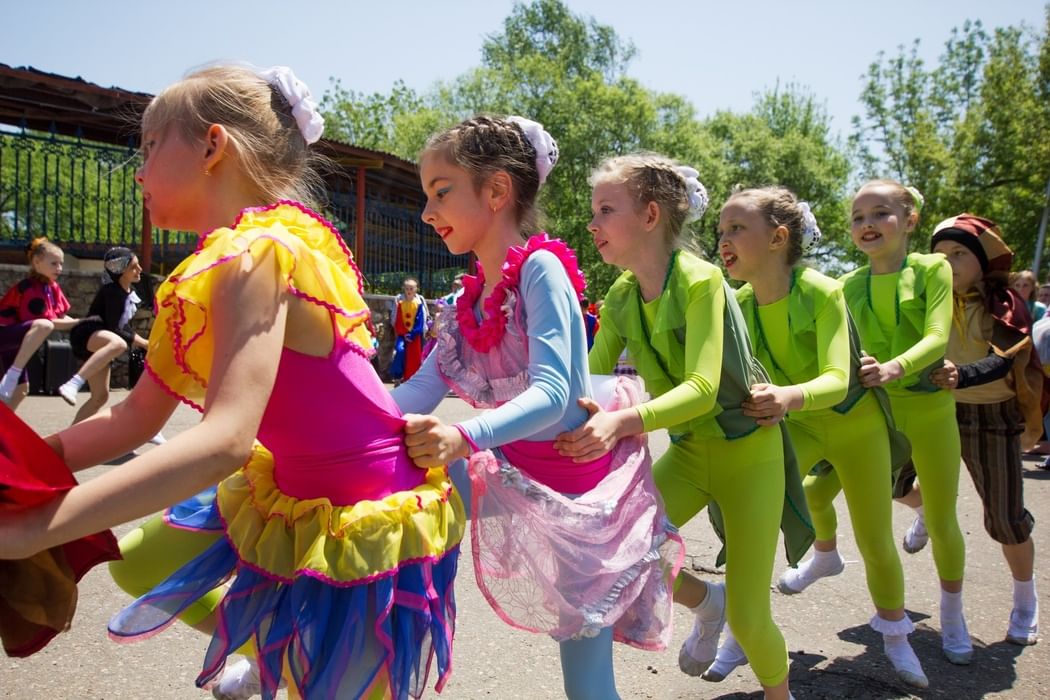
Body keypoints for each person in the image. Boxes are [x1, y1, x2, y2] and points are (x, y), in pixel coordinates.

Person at [0, 64, 464, 700]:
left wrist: (36, 528)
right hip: (292, 488)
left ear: (213, 146)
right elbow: (134, 420)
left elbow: (225, 441)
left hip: (366, 512)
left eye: (151, 144)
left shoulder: (260, 251)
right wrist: (21, 477)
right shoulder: (220, 262)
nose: (138, 169)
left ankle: (286, 657)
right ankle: (273, 647)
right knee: (140, 562)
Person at [392, 117, 684, 700]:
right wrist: (327, 411)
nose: (427, 212)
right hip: (515, 470)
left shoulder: (540, 270)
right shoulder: (472, 297)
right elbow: (412, 394)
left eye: (441, 192)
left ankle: (708, 598)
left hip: (579, 494)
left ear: (497, 192)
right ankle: (318, 642)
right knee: (380, 490)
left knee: (587, 685)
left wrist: (464, 436)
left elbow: (553, 397)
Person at [556, 154, 815, 700]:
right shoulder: (623, 295)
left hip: (751, 458)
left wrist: (620, 422)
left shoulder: (704, 282)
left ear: (650, 215)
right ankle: (706, 602)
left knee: (751, 618)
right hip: (692, 455)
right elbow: (591, 377)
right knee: (617, 553)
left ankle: (779, 693)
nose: (591, 223)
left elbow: (700, 389)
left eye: (605, 210)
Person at [711, 187, 925, 687]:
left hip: (857, 424)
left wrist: (785, 396)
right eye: (721, 230)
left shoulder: (821, 290)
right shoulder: (737, 302)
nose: (724, 240)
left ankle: (896, 638)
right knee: (753, 528)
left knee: (875, 540)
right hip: (799, 427)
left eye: (737, 228)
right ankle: (743, 634)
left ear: (778, 238)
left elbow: (837, 377)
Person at [834, 179, 971, 665]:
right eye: (857, 217)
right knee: (870, 520)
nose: (867, 225)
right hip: (876, 414)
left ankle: (952, 614)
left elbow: (937, 337)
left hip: (930, 409)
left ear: (909, 220)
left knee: (941, 516)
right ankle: (889, 615)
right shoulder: (846, 285)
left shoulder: (934, 268)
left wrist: (894, 367)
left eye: (880, 214)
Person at [929, 213, 1041, 646]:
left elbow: (1007, 354)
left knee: (1006, 519)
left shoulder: (1004, 300)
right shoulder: (928, 297)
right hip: (936, 412)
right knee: (892, 483)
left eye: (959, 253)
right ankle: (923, 513)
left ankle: (1026, 601)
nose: (949, 262)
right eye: (940, 255)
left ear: (982, 260)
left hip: (991, 416)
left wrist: (964, 375)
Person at [60, 248, 152, 426]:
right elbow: (115, 327)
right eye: (133, 266)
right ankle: (73, 383)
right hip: (88, 333)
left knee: (100, 397)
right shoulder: (112, 291)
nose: (139, 269)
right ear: (120, 271)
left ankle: (69, 438)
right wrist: (144, 343)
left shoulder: (126, 292)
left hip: (102, 342)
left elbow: (121, 325)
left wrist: (144, 343)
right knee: (118, 344)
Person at [0, 238, 78, 408]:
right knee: (45, 325)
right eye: (54, 263)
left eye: (61, 264)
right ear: (37, 262)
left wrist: (86, 322)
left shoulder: (52, 287)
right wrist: (76, 323)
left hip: (15, 344)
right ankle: (12, 374)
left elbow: (61, 316)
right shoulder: (28, 288)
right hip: (5, 335)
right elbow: (45, 322)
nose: (59, 268)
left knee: (22, 389)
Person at [389, 276, 428, 383]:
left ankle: (412, 377)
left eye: (411, 288)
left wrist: (412, 334)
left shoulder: (419, 303)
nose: (409, 291)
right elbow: (398, 320)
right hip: (402, 334)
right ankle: (398, 375)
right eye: (407, 288)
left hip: (415, 336)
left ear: (416, 289)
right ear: (404, 289)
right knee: (400, 350)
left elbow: (420, 321)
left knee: (414, 356)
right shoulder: (400, 303)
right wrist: (404, 333)